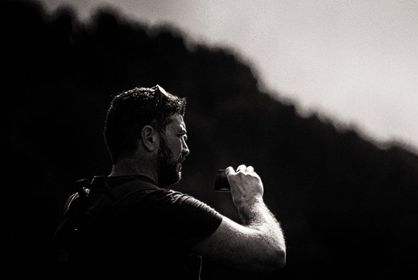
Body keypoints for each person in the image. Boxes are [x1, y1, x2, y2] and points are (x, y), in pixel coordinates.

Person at [54, 85, 286, 279]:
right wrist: (251, 200)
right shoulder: (166, 208)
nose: (186, 149)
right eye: (180, 135)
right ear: (149, 138)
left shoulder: (81, 202)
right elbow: (271, 252)